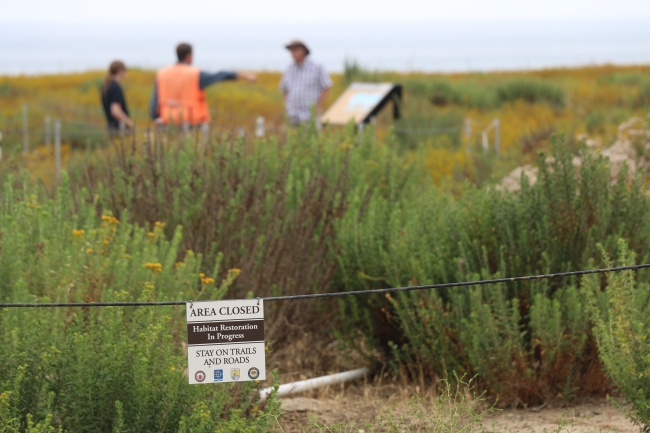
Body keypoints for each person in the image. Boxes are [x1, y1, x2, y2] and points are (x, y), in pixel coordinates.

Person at [150, 43, 257, 126]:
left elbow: (155, 100)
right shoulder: (195, 74)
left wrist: (155, 117)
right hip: (191, 120)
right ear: (189, 56)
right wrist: (244, 75)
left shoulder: (162, 73)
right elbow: (220, 75)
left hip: (166, 119)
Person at [280, 39, 332, 126]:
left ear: (303, 50)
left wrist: (318, 107)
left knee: (311, 134)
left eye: (295, 50)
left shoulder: (317, 66)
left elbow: (326, 86)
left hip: (310, 115)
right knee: (292, 135)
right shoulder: (289, 68)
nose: (292, 53)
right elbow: (285, 90)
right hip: (292, 115)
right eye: (291, 50)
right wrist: (286, 108)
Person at [101, 60, 134, 131]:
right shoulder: (115, 87)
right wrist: (130, 123)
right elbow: (115, 111)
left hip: (111, 127)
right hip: (119, 128)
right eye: (125, 70)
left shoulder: (107, 86)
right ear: (120, 71)